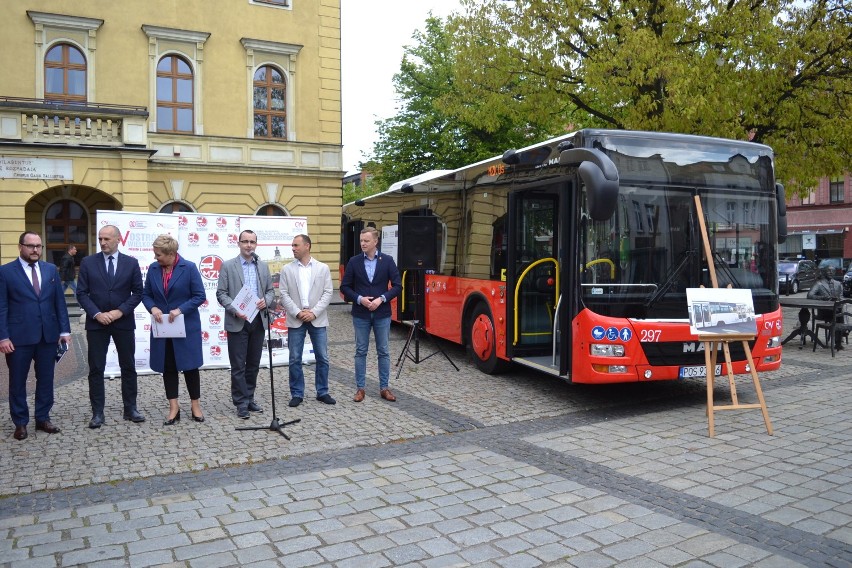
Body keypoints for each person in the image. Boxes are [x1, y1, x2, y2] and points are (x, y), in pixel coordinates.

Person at [0, 232, 71, 440]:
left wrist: (64, 331)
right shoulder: (5, 272)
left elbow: (59, 302)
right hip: (18, 338)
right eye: (30, 246)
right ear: (20, 246)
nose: (35, 250)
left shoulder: (50, 270)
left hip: (47, 337)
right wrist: (3, 337)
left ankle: (43, 418)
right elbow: (1, 307)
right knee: (17, 381)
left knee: (46, 379)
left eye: (38, 246)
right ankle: (20, 423)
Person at [76, 225, 145, 428]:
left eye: (107, 238)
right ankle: (97, 413)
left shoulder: (131, 263)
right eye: (100, 239)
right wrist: (97, 314)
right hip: (97, 324)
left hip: (122, 322)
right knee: (96, 368)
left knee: (128, 366)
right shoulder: (88, 262)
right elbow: (81, 293)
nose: (103, 242)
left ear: (118, 239)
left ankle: (130, 408)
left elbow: (138, 293)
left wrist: (119, 311)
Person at [142, 234, 206, 425]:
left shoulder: (189, 268)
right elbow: (146, 294)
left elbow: (199, 296)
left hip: (185, 326)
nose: (156, 258)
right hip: (163, 328)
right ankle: (174, 408)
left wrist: (180, 310)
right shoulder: (154, 269)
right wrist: (152, 307)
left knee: (190, 367)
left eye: (159, 254)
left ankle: (195, 406)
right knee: (168, 366)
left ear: (171, 254)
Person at [216, 229, 275, 419]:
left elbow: (270, 291)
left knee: (253, 364)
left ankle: (249, 398)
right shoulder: (228, 266)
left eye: (252, 242)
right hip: (237, 320)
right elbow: (221, 293)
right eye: (245, 242)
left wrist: (266, 300)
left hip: (258, 320)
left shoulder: (262, 266)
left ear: (256, 244)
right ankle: (240, 402)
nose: (249, 245)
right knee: (238, 365)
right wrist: (234, 308)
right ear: (239, 243)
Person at [339, 227, 402, 402]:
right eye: (361, 241)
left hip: (382, 313)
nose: (363, 244)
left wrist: (381, 298)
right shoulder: (354, 261)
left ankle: (384, 388)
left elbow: (398, 286)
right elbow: (345, 287)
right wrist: (359, 299)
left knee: (383, 351)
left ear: (376, 242)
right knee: (360, 351)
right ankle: (360, 388)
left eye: (366, 241)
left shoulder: (388, 261)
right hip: (361, 313)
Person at [279, 234, 334, 407]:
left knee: (322, 357)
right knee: (294, 358)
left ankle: (322, 391)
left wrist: (314, 312)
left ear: (307, 246)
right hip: (296, 319)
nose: (293, 248)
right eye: (292, 245)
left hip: (317, 318)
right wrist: (297, 312)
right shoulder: (287, 269)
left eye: (296, 245)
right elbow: (283, 294)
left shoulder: (322, 268)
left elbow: (328, 293)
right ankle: (297, 393)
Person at [807, 265, 845, 350]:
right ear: (824, 272)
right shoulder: (819, 283)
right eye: (828, 271)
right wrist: (822, 298)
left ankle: (838, 341)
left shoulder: (838, 284)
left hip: (836, 310)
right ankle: (842, 334)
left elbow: (842, 298)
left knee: (840, 311)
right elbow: (810, 295)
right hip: (824, 311)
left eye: (832, 271)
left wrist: (838, 299)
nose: (830, 272)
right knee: (839, 315)